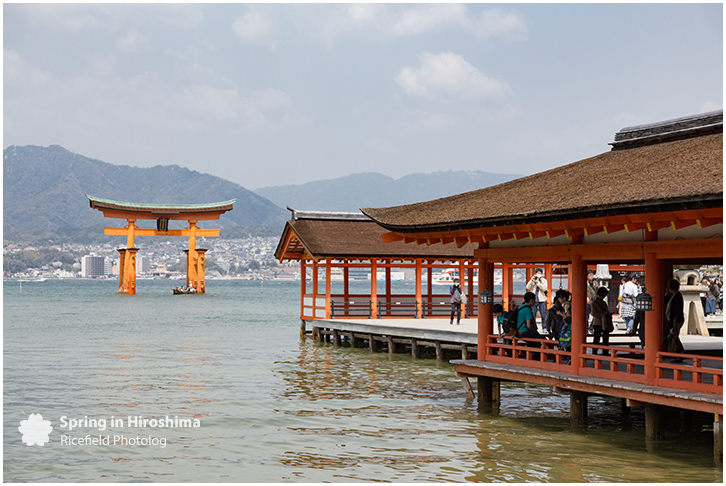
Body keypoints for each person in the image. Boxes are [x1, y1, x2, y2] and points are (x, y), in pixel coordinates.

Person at [664, 278, 685, 361]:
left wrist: (674, 321)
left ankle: (680, 353)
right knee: (675, 336)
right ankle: (679, 354)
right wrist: (666, 294)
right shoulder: (674, 296)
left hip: (676, 320)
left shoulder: (677, 296)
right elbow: (666, 302)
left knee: (675, 336)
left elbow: (676, 309)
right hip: (674, 319)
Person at [590, 286, 612, 354]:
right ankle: (594, 352)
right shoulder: (594, 302)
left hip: (604, 322)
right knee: (597, 338)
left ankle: (605, 352)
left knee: (605, 338)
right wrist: (603, 314)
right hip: (598, 322)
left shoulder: (603, 303)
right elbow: (593, 313)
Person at [526, 269, 548, 333]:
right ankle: (534, 327)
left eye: (540, 273)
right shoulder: (533, 281)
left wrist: (538, 283)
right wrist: (531, 280)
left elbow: (544, 289)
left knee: (543, 314)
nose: (538, 274)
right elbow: (527, 287)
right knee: (533, 314)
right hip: (533, 300)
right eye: (537, 273)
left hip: (541, 299)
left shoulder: (544, 281)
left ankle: (544, 327)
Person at [585, 269, 598, 334]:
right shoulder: (585, 283)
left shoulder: (595, 283)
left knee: (596, 315)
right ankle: (586, 329)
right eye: (590, 275)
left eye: (592, 275)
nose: (591, 276)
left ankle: (591, 327)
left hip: (594, 301)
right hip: (587, 301)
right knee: (586, 317)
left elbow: (597, 291)